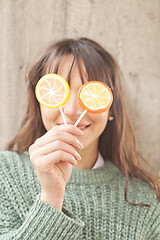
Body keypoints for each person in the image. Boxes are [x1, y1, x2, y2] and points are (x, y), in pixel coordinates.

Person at [0, 38, 159, 240]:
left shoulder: (145, 199)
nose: (72, 110)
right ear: (39, 103)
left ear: (111, 109)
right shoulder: (4, 174)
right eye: (58, 92)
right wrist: (51, 198)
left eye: (90, 93)